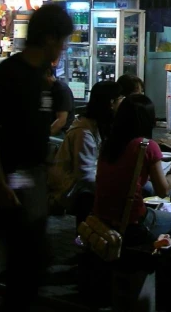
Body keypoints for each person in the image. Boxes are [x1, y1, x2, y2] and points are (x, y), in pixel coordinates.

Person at [0, 3, 74, 312]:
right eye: (61, 41)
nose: (62, 48)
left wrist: (50, 169)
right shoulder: (9, 74)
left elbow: (38, 129)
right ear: (49, 39)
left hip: (34, 180)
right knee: (25, 261)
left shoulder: (42, 78)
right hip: (12, 180)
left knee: (34, 260)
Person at [93, 94, 171, 244]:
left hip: (101, 216)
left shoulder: (109, 143)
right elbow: (163, 191)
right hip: (132, 221)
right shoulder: (146, 146)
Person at [49, 81, 122, 230]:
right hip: (72, 190)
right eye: (121, 99)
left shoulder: (100, 125)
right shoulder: (83, 131)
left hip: (87, 185)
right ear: (111, 103)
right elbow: (85, 175)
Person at [49, 68, 75, 135]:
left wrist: (44, 137)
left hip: (61, 133)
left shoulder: (61, 90)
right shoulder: (44, 88)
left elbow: (61, 121)